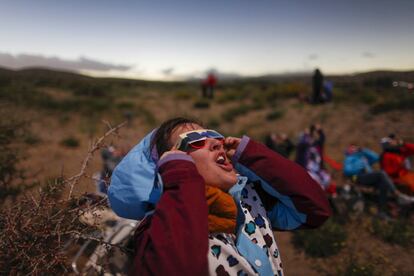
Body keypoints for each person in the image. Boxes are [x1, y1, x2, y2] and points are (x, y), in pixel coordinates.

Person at [108, 117, 331, 275]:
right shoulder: (159, 227)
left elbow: (315, 210)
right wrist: (179, 177)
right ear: (171, 162)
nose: (217, 142)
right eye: (194, 140)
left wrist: (251, 155)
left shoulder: (249, 202)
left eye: (215, 137)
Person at [343, 145, 414, 218]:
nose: (355, 149)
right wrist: (360, 165)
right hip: (358, 177)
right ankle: (398, 195)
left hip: (368, 176)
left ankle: (381, 211)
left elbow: (376, 157)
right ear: (349, 151)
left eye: (355, 148)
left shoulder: (362, 157)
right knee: (381, 174)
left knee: (383, 183)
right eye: (352, 148)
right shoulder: (350, 158)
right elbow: (347, 171)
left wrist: (364, 150)